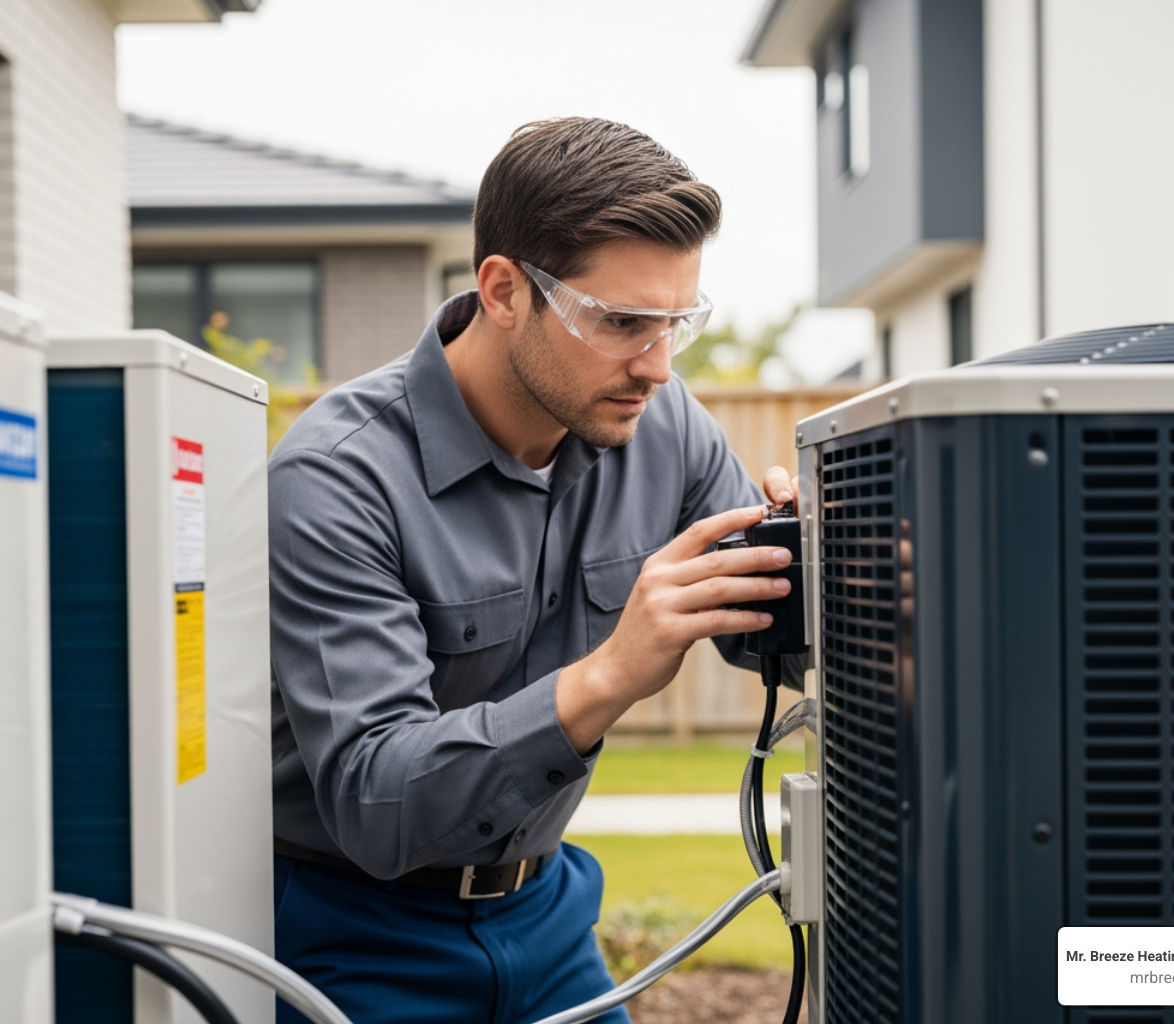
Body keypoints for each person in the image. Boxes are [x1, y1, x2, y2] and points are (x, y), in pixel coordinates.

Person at [268, 116, 801, 1024]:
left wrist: (844, 567)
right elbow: (376, 802)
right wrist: (607, 675)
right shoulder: (337, 477)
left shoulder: (662, 428)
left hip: (547, 917)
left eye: (675, 324)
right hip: (350, 933)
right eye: (622, 322)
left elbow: (765, 615)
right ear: (504, 290)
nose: (658, 367)